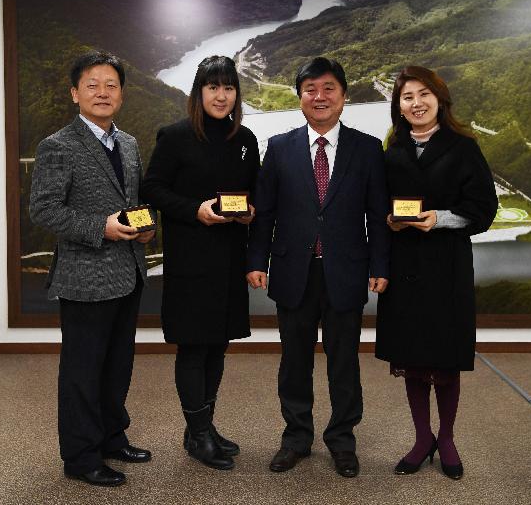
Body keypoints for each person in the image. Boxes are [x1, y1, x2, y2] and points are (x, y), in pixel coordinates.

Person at [246, 56, 390, 478]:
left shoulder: (366, 148)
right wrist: (257, 260)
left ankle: (343, 440)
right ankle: (296, 438)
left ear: (343, 96)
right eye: (311, 89)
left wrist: (380, 264)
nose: (319, 96)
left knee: (344, 361)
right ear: (300, 98)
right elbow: (265, 212)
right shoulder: (279, 146)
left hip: (345, 271)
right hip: (294, 271)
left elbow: (377, 212)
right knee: (294, 361)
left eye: (328, 88)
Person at [29, 51, 155, 487]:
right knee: (83, 371)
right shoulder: (58, 145)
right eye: (92, 85)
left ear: (121, 92)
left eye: (111, 85)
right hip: (84, 277)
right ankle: (81, 457)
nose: (102, 92)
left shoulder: (129, 143)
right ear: (74, 93)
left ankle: (112, 437)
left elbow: (131, 200)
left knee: (118, 365)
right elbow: (44, 210)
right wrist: (99, 227)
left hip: (128, 271)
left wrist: (143, 228)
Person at [376, 65, 498, 480]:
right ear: (399, 106)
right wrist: (390, 222)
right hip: (405, 269)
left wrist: (439, 219)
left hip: (447, 268)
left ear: (439, 99)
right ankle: (421, 437)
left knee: (445, 361)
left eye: (423, 94)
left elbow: (484, 211)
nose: (416, 103)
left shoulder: (464, 147)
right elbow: (380, 207)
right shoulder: (392, 149)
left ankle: (446, 438)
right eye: (407, 97)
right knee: (412, 361)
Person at [141, 55, 260, 471]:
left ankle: (203, 427)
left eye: (229, 87)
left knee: (218, 346)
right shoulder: (174, 137)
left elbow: (253, 192)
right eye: (213, 87)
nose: (222, 95)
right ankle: (197, 433)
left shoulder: (245, 139)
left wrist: (249, 211)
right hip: (191, 260)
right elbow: (152, 188)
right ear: (199, 92)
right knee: (194, 347)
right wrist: (196, 210)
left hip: (229, 259)